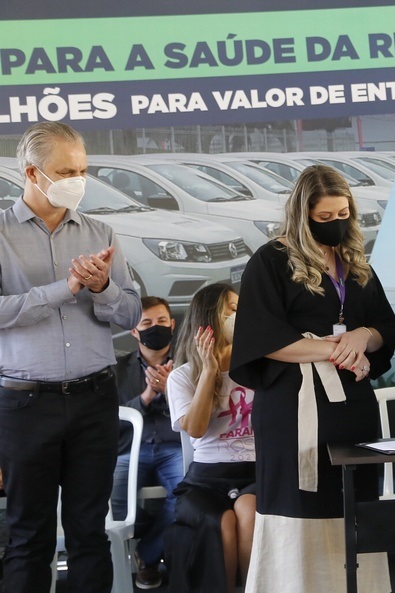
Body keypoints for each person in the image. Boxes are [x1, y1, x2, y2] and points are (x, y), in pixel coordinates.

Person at [229, 164, 395, 593]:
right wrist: (333, 348)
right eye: (324, 217)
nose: (335, 223)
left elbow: (385, 328)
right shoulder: (270, 260)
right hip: (293, 408)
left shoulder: (355, 263)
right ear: (302, 214)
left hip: (352, 406)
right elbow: (262, 339)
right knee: (299, 504)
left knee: (356, 504)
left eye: (342, 214)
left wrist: (362, 335)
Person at [0, 122, 141, 592]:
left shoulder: (101, 232)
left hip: (93, 399)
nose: (78, 180)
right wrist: (66, 288)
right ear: (32, 172)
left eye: (82, 170)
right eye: (66, 172)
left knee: (89, 532)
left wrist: (102, 288)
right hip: (25, 404)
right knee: (29, 535)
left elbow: (131, 314)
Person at [165, 283, 255, 593]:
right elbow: (196, 429)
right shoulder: (181, 376)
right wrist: (208, 371)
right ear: (210, 318)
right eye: (232, 310)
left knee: (249, 512)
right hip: (205, 479)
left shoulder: (256, 368)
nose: (240, 316)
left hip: (256, 472)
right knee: (221, 523)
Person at [112, 295, 181, 589]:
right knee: (113, 503)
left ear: (172, 324)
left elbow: (203, 410)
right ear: (134, 330)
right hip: (131, 449)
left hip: (175, 447)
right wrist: (146, 397)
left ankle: (148, 555)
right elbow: (109, 420)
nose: (156, 327)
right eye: (147, 323)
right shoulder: (116, 368)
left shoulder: (189, 363)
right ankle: (154, 537)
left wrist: (171, 390)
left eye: (161, 321)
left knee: (187, 495)